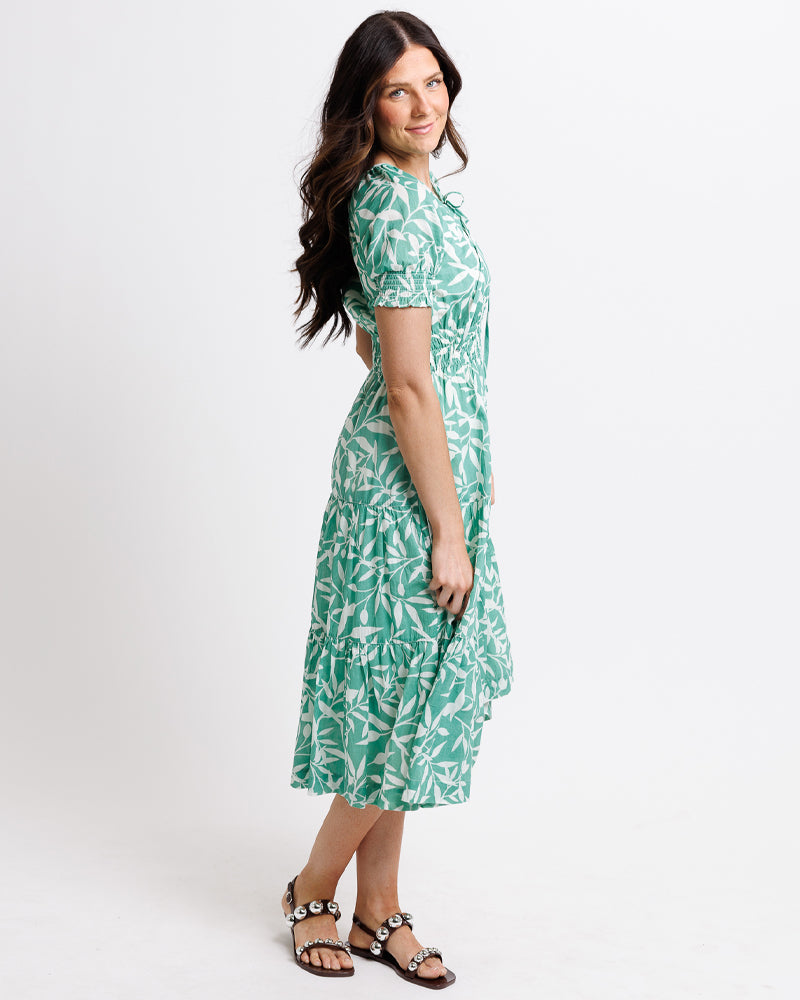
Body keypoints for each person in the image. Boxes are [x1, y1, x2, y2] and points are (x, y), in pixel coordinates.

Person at [282, 10, 513, 987]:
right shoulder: (387, 206)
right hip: (404, 494)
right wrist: (447, 530)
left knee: (409, 702)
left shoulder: (420, 197)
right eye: (395, 90)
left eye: (432, 82)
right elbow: (409, 383)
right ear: (363, 109)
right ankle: (311, 889)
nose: (422, 105)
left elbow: (391, 347)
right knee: (393, 708)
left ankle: (379, 908)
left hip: (438, 472)